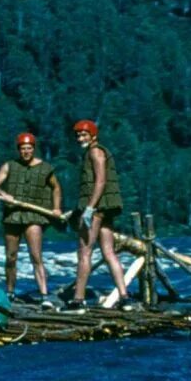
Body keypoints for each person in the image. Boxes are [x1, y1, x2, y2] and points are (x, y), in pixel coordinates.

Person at [68, 119, 136, 312]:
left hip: (96, 209)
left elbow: (100, 182)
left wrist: (89, 209)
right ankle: (124, 297)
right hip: (104, 208)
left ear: (93, 136)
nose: (81, 138)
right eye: (78, 135)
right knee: (108, 252)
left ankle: (78, 300)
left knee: (84, 252)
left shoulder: (95, 152)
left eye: (84, 134)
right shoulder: (94, 151)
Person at [0, 132, 61, 309]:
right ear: (19, 150)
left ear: (33, 149)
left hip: (34, 216)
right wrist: (4, 195)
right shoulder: (9, 166)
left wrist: (57, 207)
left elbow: (56, 187)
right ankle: (10, 293)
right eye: (23, 149)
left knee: (36, 256)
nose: (26, 152)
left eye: (29, 148)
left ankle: (44, 295)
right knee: (11, 257)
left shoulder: (45, 168)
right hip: (13, 215)